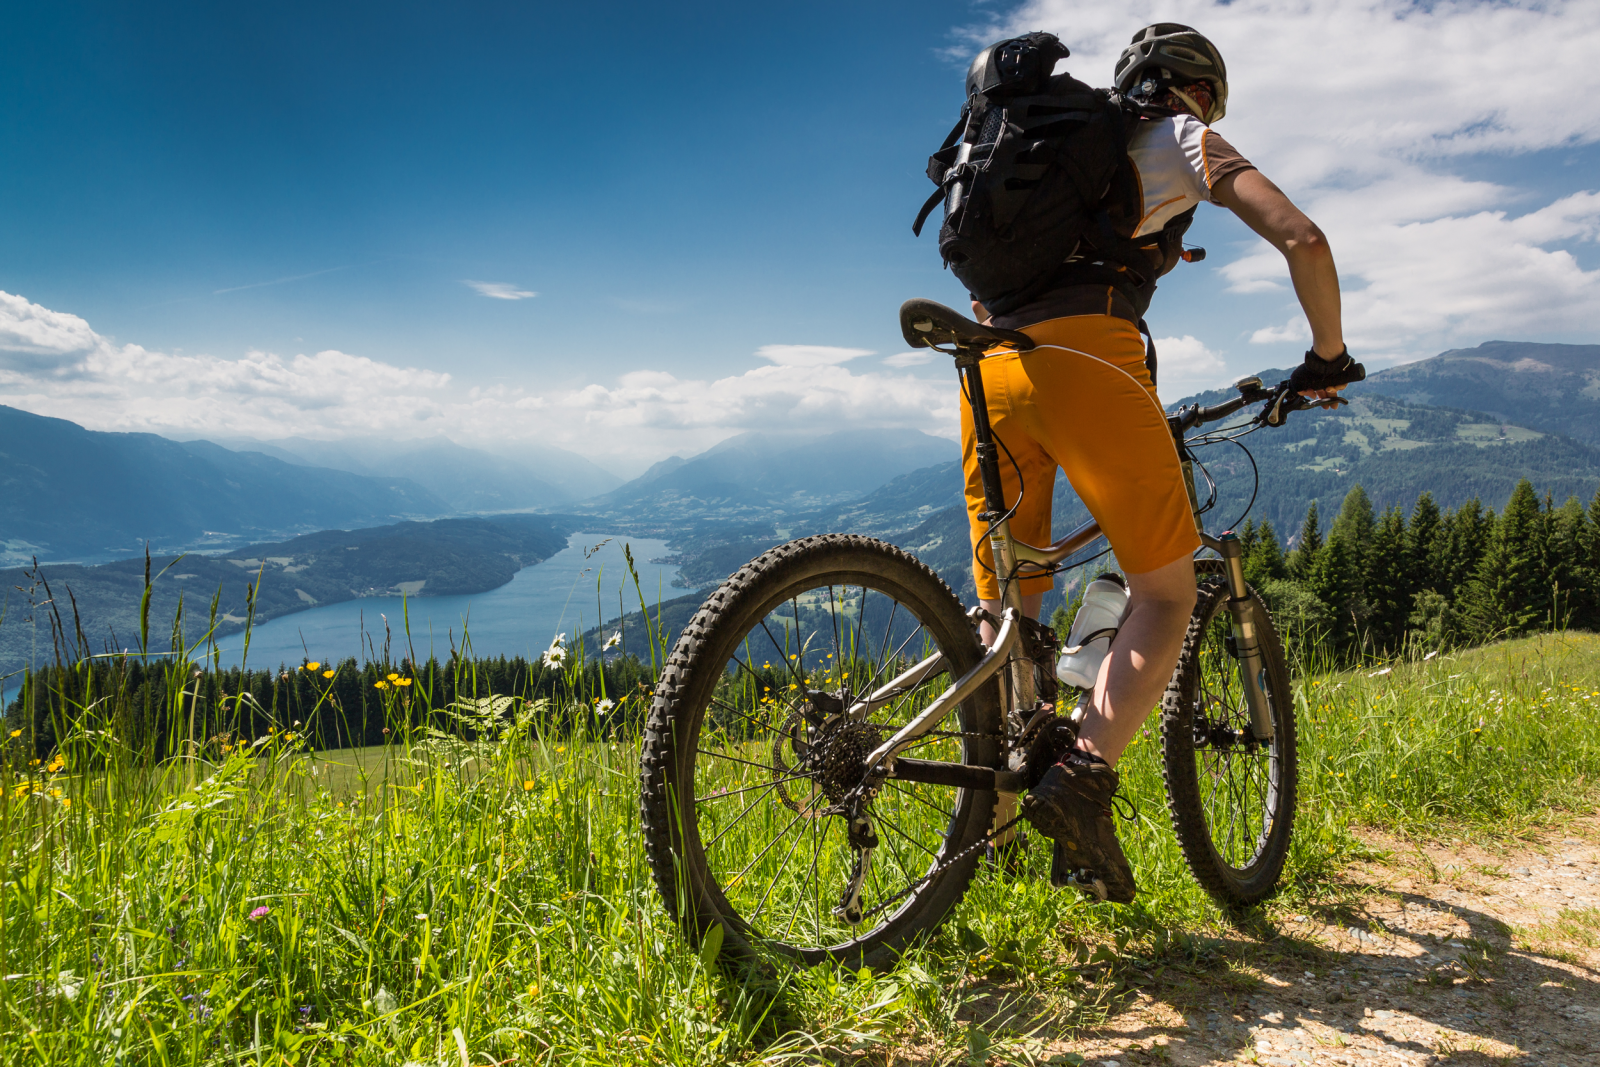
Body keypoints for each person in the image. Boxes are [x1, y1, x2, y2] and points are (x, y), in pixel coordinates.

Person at [961, 23, 1356, 902]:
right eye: (1212, 100)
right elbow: (1305, 238)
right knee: (1168, 594)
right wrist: (1326, 355)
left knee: (1009, 613)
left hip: (987, 367)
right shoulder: (1178, 136)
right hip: (1090, 366)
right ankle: (1081, 780)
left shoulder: (1051, 155)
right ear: (1196, 91)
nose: (1211, 112)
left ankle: (985, 841)